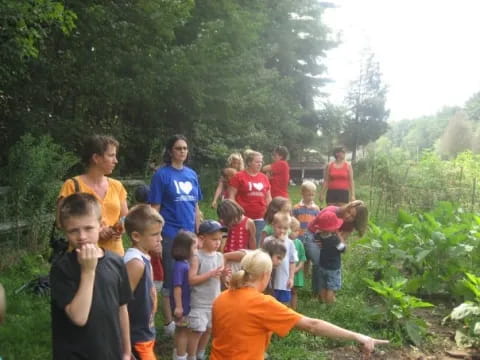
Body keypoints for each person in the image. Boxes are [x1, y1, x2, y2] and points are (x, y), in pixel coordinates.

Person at [210, 250, 389, 360]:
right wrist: (358, 336)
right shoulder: (262, 303)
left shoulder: (221, 298)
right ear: (266, 275)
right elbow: (312, 325)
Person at [50, 193, 132, 360]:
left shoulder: (116, 262)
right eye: (74, 230)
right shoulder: (62, 268)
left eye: (88, 228)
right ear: (65, 231)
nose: (81, 236)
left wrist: (126, 350)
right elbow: (78, 317)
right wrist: (88, 271)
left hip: (111, 352)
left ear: (101, 225)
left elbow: (122, 308)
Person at [149, 134, 203, 336]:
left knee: (190, 275)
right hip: (170, 233)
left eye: (185, 148)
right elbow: (154, 208)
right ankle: (170, 321)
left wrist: (199, 232)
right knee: (172, 278)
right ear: (170, 150)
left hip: (190, 234)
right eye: (178, 148)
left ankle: (186, 313)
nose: (182, 151)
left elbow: (195, 206)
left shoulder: (191, 174)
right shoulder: (162, 176)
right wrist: (155, 237)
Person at [57, 135, 128, 256]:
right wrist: (95, 231)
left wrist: (117, 229)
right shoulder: (73, 185)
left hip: (114, 257)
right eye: (111, 155)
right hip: (82, 256)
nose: (116, 160)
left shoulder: (117, 186)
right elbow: (60, 222)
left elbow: (125, 217)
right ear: (96, 158)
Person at [124, 205, 164, 360]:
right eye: (155, 234)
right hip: (136, 335)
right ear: (136, 236)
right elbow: (121, 304)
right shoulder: (135, 263)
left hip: (145, 331)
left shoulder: (144, 257)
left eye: (160, 233)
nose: (160, 238)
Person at [304, 200, 366, 297]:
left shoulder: (350, 225)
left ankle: (325, 289)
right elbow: (318, 230)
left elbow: (340, 245)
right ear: (347, 207)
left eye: (353, 217)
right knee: (318, 263)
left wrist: (333, 242)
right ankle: (316, 294)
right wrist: (327, 241)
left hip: (328, 239)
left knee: (325, 263)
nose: (348, 216)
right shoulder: (331, 212)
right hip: (312, 235)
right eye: (349, 212)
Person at [187, 221, 229, 360]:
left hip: (214, 301)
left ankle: (201, 353)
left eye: (220, 239)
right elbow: (191, 279)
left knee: (209, 330)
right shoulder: (196, 257)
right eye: (214, 239)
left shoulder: (219, 257)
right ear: (202, 239)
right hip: (199, 302)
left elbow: (222, 280)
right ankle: (191, 356)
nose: (218, 242)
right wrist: (210, 274)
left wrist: (224, 276)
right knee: (197, 330)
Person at [229, 150, 271, 246]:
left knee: (256, 244)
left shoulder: (264, 178)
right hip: (242, 217)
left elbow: (268, 197)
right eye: (257, 162)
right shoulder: (238, 176)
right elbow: (231, 197)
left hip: (260, 217)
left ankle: (253, 261)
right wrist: (239, 211)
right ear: (249, 162)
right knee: (241, 243)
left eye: (261, 162)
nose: (260, 164)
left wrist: (271, 213)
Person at [171, 231, 197, 360]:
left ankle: (177, 353)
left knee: (180, 329)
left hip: (184, 302)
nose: (196, 250)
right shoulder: (180, 266)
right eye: (194, 247)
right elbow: (177, 287)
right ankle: (181, 356)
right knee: (183, 331)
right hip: (182, 304)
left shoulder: (183, 264)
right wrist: (179, 306)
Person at [263, 213, 297, 305]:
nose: (282, 231)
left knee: (283, 305)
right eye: (279, 227)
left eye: (285, 228)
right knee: (269, 304)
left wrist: (291, 278)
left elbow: (292, 261)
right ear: (273, 225)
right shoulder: (268, 241)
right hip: (269, 282)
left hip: (284, 282)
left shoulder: (290, 243)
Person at [313, 212, 346, 304]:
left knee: (323, 285)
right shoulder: (335, 240)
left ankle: (323, 302)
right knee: (331, 287)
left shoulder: (319, 236)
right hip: (333, 267)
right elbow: (343, 249)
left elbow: (315, 236)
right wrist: (340, 236)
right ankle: (329, 304)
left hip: (322, 265)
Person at [292, 180, 320, 277]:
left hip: (311, 237)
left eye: (312, 195)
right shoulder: (296, 208)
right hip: (299, 236)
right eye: (308, 195)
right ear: (302, 193)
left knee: (308, 256)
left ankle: (306, 274)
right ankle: (298, 273)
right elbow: (293, 222)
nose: (310, 197)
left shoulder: (316, 209)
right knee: (299, 255)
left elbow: (318, 223)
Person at [289, 218, 306, 310]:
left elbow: (302, 258)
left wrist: (297, 269)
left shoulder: (299, 243)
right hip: (286, 272)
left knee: (294, 292)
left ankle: (293, 309)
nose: (297, 233)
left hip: (296, 273)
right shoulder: (283, 243)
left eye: (298, 231)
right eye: (294, 231)